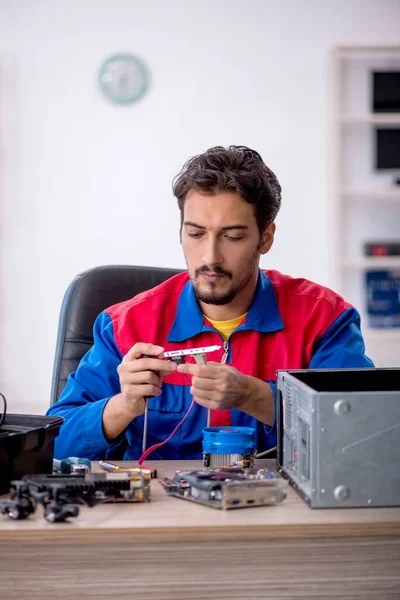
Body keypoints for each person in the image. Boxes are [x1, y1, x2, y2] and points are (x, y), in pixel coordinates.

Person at [47, 145, 374, 460]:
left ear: (266, 238)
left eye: (232, 237)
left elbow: (366, 433)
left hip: (278, 511)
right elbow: (52, 445)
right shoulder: (123, 325)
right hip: (158, 513)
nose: (210, 257)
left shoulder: (324, 319)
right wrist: (123, 405)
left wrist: (254, 396)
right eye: (195, 234)